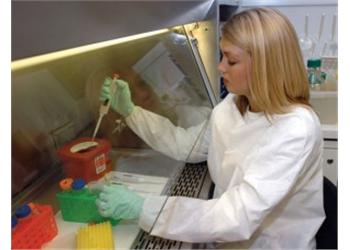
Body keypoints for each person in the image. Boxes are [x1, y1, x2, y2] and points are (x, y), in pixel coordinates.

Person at [96, 7, 325, 249]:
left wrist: (146, 208)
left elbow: (237, 216)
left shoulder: (295, 128)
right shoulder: (233, 104)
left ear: (264, 66)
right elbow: (186, 145)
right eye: (221, 56)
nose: (220, 67)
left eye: (231, 60)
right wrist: (132, 111)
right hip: (226, 239)